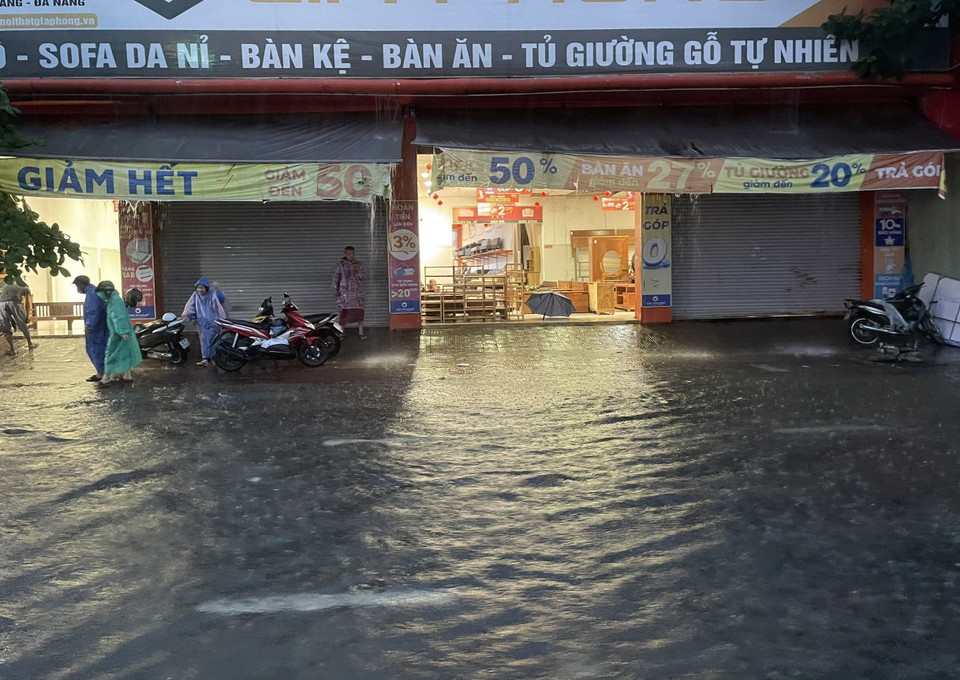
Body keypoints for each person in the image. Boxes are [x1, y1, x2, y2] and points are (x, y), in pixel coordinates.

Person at [96, 281, 142, 386]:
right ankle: (127, 375)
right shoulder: (115, 300)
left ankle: (106, 377)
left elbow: (118, 317)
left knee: (111, 353)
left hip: (118, 333)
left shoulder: (115, 301)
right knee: (125, 352)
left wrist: (122, 331)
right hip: (120, 331)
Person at [182, 276, 226, 367]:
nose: (200, 290)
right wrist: (192, 317)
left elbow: (221, 299)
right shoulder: (195, 295)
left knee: (214, 340)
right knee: (204, 340)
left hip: (214, 321)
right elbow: (190, 307)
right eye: (198, 287)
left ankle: (215, 358)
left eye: (202, 288)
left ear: (206, 288)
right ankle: (205, 359)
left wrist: (218, 290)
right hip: (202, 323)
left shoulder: (212, 293)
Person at [73, 275, 108, 382]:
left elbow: (93, 311)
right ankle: (102, 372)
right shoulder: (94, 291)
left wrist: (89, 326)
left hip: (97, 329)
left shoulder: (92, 295)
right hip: (102, 327)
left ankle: (101, 373)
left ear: (80, 285)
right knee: (101, 349)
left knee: (96, 350)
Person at [333, 246, 367, 339]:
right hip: (345, 294)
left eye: (352, 253)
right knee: (344, 313)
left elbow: (364, 276)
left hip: (357, 294)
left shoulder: (359, 264)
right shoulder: (340, 264)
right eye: (349, 253)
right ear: (345, 254)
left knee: (359, 313)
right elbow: (336, 278)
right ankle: (342, 332)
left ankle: (361, 332)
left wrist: (357, 273)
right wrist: (336, 291)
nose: (351, 256)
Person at [0, 281, 36, 356]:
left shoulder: (7, 283)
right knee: (22, 322)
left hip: (1, 303)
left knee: (5, 326)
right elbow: (28, 303)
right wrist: (27, 316)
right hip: (14, 301)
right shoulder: (26, 288)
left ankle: (12, 349)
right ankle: (30, 344)